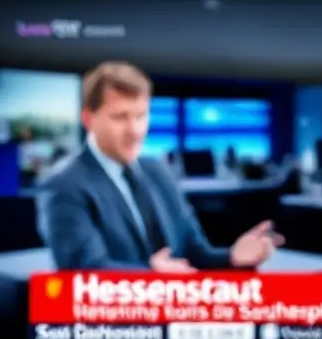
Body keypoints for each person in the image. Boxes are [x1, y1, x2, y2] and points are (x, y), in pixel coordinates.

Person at [38, 61, 283, 272]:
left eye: (141, 116)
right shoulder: (63, 185)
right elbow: (85, 271)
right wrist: (153, 276)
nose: (134, 131)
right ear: (89, 119)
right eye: (120, 117)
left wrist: (233, 257)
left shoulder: (158, 172)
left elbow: (194, 253)